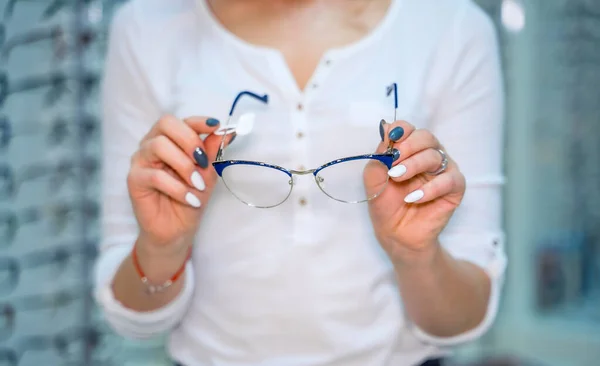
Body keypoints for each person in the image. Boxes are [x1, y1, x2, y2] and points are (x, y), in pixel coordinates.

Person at [94, 0, 507, 365]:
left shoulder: (451, 27)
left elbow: (464, 319)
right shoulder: (146, 27)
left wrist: (416, 256)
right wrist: (163, 248)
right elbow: (132, 318)